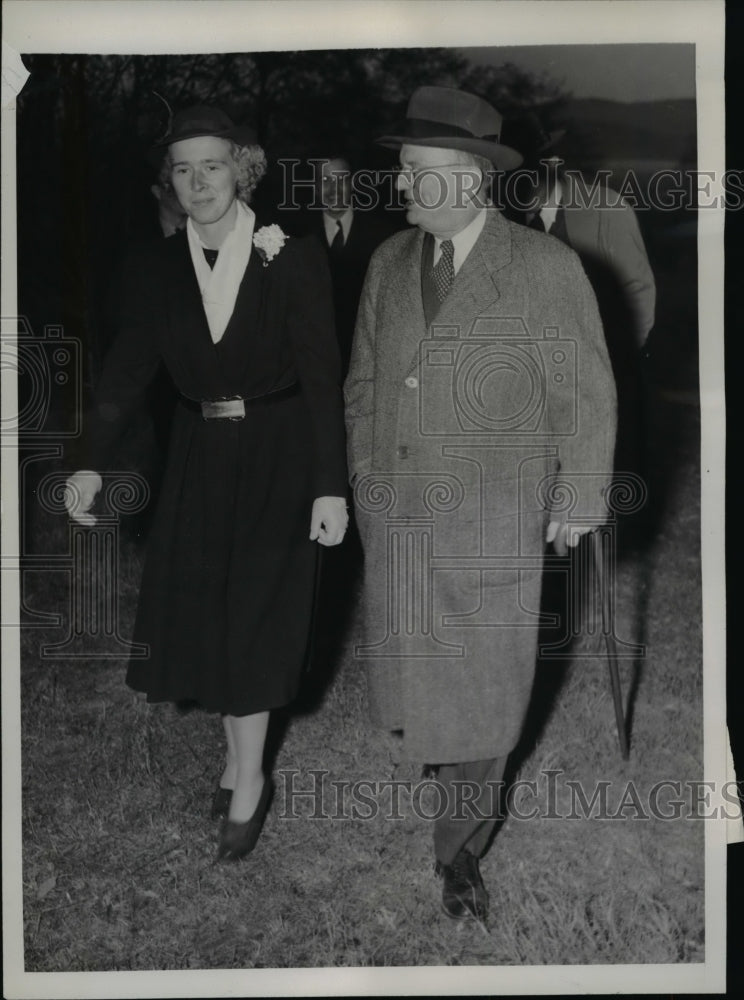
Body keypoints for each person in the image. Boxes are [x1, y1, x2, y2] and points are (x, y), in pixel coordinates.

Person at [345, 87, 617, 924]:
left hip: (496, 515)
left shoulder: (544, 268)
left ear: (471, 181)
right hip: (400, 513)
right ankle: (445, 777)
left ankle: (459, 852)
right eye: (401, 172)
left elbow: (586, 392)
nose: (402, 189)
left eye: (419, 175)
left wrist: (579, 496)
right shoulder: (389, 264)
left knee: (489, 691)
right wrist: (364, 479)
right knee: (423, 671)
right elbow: (363, 385)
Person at [65, 105, 348, 861]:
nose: (198, 182)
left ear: (243, 169)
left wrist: (330, 485)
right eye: (183, 170)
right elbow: (127, 373)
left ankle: (250, 779)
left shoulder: (291, 254)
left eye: (212, 165)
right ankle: (236, 757)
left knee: (254, 613)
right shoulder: (156, 266)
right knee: (214, 610)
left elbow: (323, 377)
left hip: (279, 450)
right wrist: (90, 459)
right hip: (199, 453)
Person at [501, 112, 655, 476]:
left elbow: (639, 292)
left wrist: (611, 366)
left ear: (553, 164)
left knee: (593, 489)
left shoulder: (607, 208)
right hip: (525, 394)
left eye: (529, 171)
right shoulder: (502, 218)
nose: (517, 185)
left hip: (598, 379)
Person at [311, 155, 397, 378]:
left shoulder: (383, 236)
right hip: (313, 365)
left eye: (341, 180)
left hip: (370, 363)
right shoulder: (296, 237)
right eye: (325, 180)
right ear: (315, 187)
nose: (333, 188)